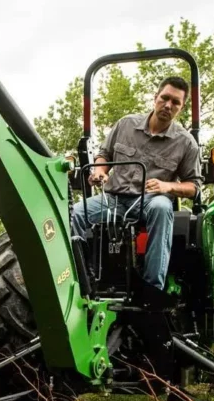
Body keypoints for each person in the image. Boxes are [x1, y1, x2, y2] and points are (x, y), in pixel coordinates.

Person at [71, 76, 203, 290]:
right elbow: (104, 154)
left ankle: (152, 288)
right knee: (74, 213)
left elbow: (194, 187)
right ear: (155, 97)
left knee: (162, 207)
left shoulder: (186, 143)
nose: (168, 105)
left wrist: (167, 186)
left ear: (181, 107)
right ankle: (80, 280)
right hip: (113, 198)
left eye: (175, 102)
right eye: (165, 98)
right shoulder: (126, 124)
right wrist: (100, 171)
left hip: (149, 201)